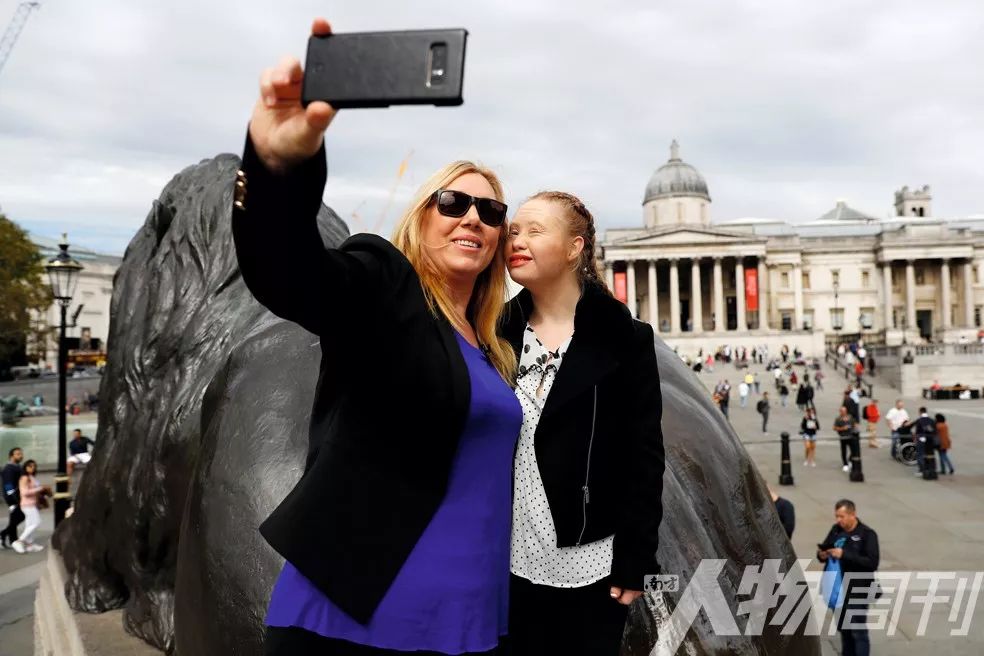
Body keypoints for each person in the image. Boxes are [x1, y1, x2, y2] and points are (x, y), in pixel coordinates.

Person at [239, 21, 522, 654]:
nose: (474, 217)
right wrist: (278, 166)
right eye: (453, 202)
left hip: (472, 620)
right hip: (356, 619)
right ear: (422, 219)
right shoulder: (385, 286)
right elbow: (292, 277)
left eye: (492, 212)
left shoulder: (495, 341)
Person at [503, 190, 664, 655]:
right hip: (503, 558)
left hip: (587, 563)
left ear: (575, 247)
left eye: (535, 230)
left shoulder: (625, 339)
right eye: (514, 230)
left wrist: (636, 559)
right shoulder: (495, 329)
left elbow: (644, 455)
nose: (518, 239)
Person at [817, 500, 879, 656]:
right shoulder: (836, 530)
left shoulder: (867, 534)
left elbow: (872, 562)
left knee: (858, 632)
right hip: (837, 590)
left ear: (853, 514)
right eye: (836, 516)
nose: (838, 520)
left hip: (857, 590)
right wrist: (822, 554)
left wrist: (844, 554)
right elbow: (825, 547)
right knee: (844, 630)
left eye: (842, 516)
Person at [11, 459, 50, 554]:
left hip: (33, 504)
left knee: (30, 524)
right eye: (30, 466)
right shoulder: (24, 478)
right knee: (36, 523)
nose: (32, 468)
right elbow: (24, 492)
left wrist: (41, 495)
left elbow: (35, 491)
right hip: (27, 504)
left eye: (34, 466)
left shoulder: (31, 477)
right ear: (25, 467)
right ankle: (19, 541)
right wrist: (40, 488)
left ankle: (30, 544)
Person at [1, 447, 24, 549]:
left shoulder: (17, 466)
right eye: (18, 454)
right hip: (13, 498)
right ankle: (12, 539)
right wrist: (14, 498)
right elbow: (8, 485)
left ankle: (7, 536)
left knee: (16, 518)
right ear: (12, 456)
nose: (21, 455)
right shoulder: (9, 468)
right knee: (18, 517)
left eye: (21, 453)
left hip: (18, 496)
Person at [912, 407, 937, 477]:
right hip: (930, 440)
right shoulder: (932, 420)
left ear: (920, 412)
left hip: (921, 440)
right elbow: (935, 431)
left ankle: (922, 470)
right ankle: (930, 469)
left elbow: (917, 432)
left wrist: (916, 438)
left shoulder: (919, 420)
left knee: (920, 455)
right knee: (929, 455)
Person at [833, 406, 858, 473]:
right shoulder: (838, 419)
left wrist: (855, 427)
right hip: (843, 437)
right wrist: (842, 428)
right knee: (844, 451)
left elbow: (854, 424)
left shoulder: (850, 417)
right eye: (842, 411)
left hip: (850, 436)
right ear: (840, 412)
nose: (844, 412)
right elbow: (834, 428)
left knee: (854, 450)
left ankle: (850, 460)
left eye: (845, 411)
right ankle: (845, 464)